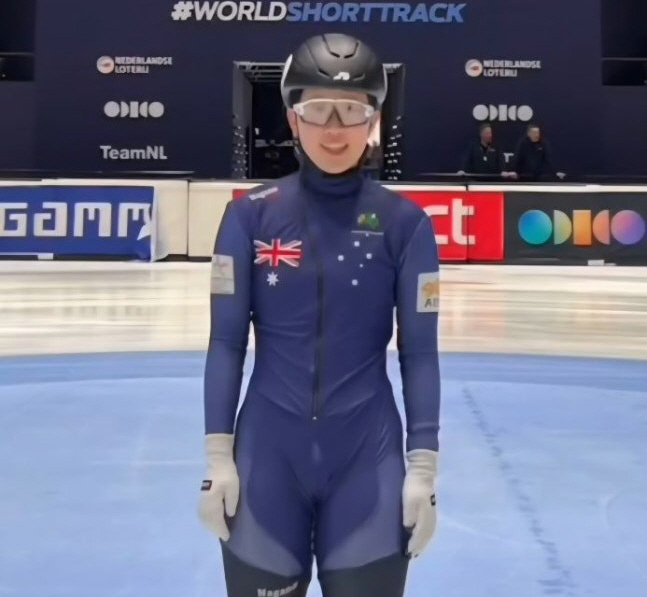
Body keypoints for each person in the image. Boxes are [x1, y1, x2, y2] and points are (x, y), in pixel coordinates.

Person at [198, 33, 441, 597]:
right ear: (292, 118)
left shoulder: (407, 226)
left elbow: (420, 353)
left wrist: (423, 469)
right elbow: (226, 343)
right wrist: (217, 458)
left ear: (374, 121)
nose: (335, 129)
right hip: (265, 462)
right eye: (318, 110)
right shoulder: (248, 219)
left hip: (368, 459)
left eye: (352, 111)